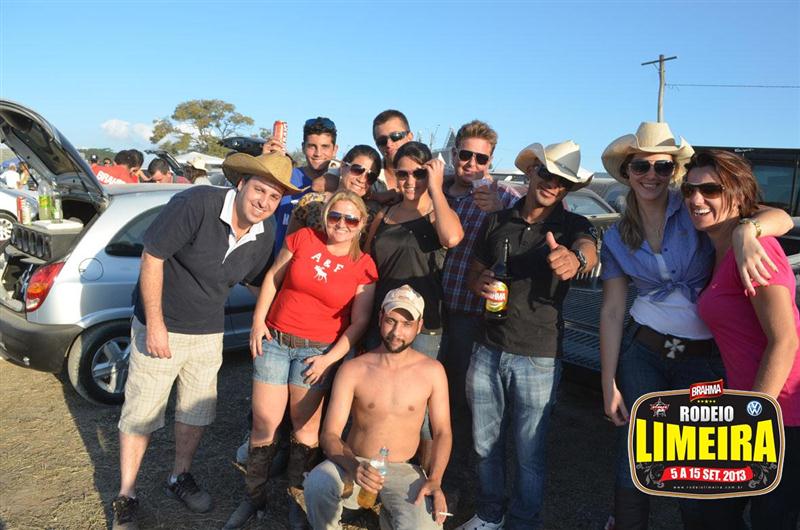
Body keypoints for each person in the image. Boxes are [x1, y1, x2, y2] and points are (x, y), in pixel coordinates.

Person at [598, 122, 793, 530]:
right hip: (645, 350)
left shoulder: (696, 213)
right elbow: (613, 310)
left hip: (707, 362)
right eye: (641, 166)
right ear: (627, 172)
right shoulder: (618, 236)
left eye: (663, 167)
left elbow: (777, 218)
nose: (652, 175)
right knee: (638, 454)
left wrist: (748, 230)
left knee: (698, 471)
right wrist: (608, 381)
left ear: (673, 171)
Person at [111, 152, 299, 530]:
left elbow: (258, 283)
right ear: (241, 184)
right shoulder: (196, 204)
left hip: (208, 332)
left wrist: (292, 309)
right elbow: (152, 257)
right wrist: (156, 324)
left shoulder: (263, 234)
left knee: (195, 413)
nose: (264, 201)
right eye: (259, 190)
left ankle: (179, 476)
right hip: (162, 325)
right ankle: (126, 495)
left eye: (274, 196)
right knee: (142, 411)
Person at [459, 140, 598, 530]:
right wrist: (480, 284)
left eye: (563, 181)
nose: (553, 185)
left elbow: (589, 248)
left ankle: (523, 522)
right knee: (484, 444)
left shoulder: (572, 226)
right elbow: (474, 274)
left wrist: (577, 259)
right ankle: (490, 513)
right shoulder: (497, 220)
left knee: (529, 453)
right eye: (548, 174)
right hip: (487, 348)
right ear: (532, 171)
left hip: (539, 355)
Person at [224, 190, 378, 530]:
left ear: (361, 224)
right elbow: (273, 278)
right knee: (264, 424)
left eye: (350, 219)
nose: (341, 224)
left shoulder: (364, 266)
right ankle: (253, 497)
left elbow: (360, 322)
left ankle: (299, 499)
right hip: (275, 341)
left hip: (317, 352)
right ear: (326, 217)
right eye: (335, 216)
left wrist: (329, 360)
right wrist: (258, 322)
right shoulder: (304, 238)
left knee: (305, 430)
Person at [685, 149, 800, 530]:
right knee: (714, 513)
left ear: (737, 194)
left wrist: (753, 419)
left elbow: (784, 341)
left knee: (768, 518)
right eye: (689, 190)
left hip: (781, 415)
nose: (696, 199)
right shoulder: (722, 246)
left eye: (710, 190)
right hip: (749, 408)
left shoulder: (756, 250)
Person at [303, 285, 452, 530]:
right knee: (318, 483)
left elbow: (443, 431)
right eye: (391, 321)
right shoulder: (354, 369)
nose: (396, 332)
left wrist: (435, 479)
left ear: (419, 326)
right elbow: (330, 434)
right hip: (354, 463)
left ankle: (390, 516)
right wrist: (354, 466)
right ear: (380, 318)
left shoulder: (432, 371)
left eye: (407, 324)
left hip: (404, 470)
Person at [440, 120, 521, 468]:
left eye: (481, 158)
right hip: (430, 308)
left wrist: (501, 214)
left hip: (471, 313)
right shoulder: (437, 189)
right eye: (465, 155)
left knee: (460, 393)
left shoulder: (505, 197)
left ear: (490, 161)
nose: (471, 164)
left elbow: (531, 235)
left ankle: (453, 469)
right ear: (454, 153)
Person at [270, 117, 339, 256]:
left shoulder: (341, 185)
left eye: (325, 147)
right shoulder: (285, 176)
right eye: (312, 146)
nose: (318, 153)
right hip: (277, 260)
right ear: (303, 147)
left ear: (335, 149)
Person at [288, 144, 382, 239]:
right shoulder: (310, 202)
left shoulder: (371, 216)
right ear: (343, 166)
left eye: (371, 176)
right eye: (357, 169)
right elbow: (289, 242)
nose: (362, 179)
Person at [371, 109, 414, 203]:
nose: (389, 144)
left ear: (410, 137)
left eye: (396, 136)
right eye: (382, 141)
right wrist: (371, 195)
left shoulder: (431, 174)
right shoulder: (367, 178)